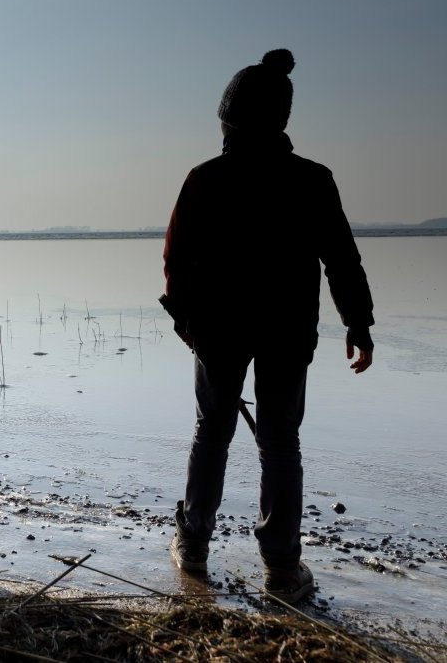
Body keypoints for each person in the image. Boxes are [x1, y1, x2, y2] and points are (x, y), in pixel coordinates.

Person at [160, 49, 375, 604]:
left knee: (213, 432)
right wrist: (359, 323)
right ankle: (282, 568)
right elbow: (343, 261)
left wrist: (185, 321)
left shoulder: (205, 179)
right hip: (286, 330)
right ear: (281, 120)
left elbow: (177, 260)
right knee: (281, 443)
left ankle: (194, 544)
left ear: (227, 119)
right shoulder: (312, 180)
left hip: (218, 332)